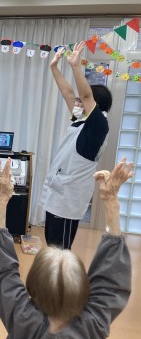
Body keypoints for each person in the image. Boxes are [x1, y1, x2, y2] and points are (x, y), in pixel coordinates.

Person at [0, 158, 132, 339]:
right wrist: (111, 201)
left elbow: (2, 271)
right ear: (84, 290)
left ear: (33, 285)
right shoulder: (93, 326)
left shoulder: (22, 318)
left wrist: (1, 200)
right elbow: (112, 281)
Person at [40, 41, 112, 249]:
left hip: (69, 197)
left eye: (83, 101)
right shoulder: (81, 120)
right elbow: (68, 93)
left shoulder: (99, 125)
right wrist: (54, 67)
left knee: (61, 249)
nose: (78, 103)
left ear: (95, 105)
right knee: (51, 244)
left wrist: (75, 66)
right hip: (57, 191)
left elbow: (86, 95)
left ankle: (61, 272)